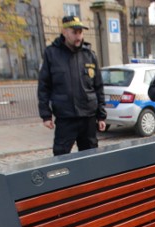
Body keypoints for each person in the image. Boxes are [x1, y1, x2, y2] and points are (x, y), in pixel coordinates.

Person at [38, 15, 106, 156]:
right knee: (61, 158)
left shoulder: (89, 55)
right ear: (64, 32)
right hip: (65, 117)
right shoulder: (52, 54)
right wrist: (46, 115)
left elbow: (98, 87)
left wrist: (101, 116)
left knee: (91, 157)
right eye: (74, 32)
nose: (78, 36)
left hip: (88, 116)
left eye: (80, 32)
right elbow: (44, 86)